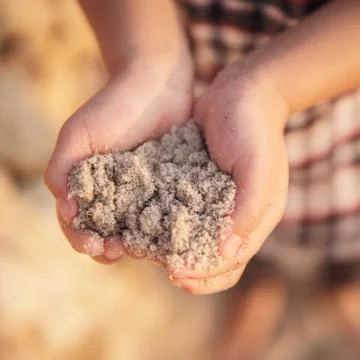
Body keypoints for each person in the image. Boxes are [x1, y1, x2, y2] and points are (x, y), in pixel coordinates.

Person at [45, 0, 360, 356]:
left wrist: (271, 89)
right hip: (191, 78)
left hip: (333, 96)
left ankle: (343, 280)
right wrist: (147, 60)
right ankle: (259, 287)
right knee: (244, 220)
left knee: (340, 224)